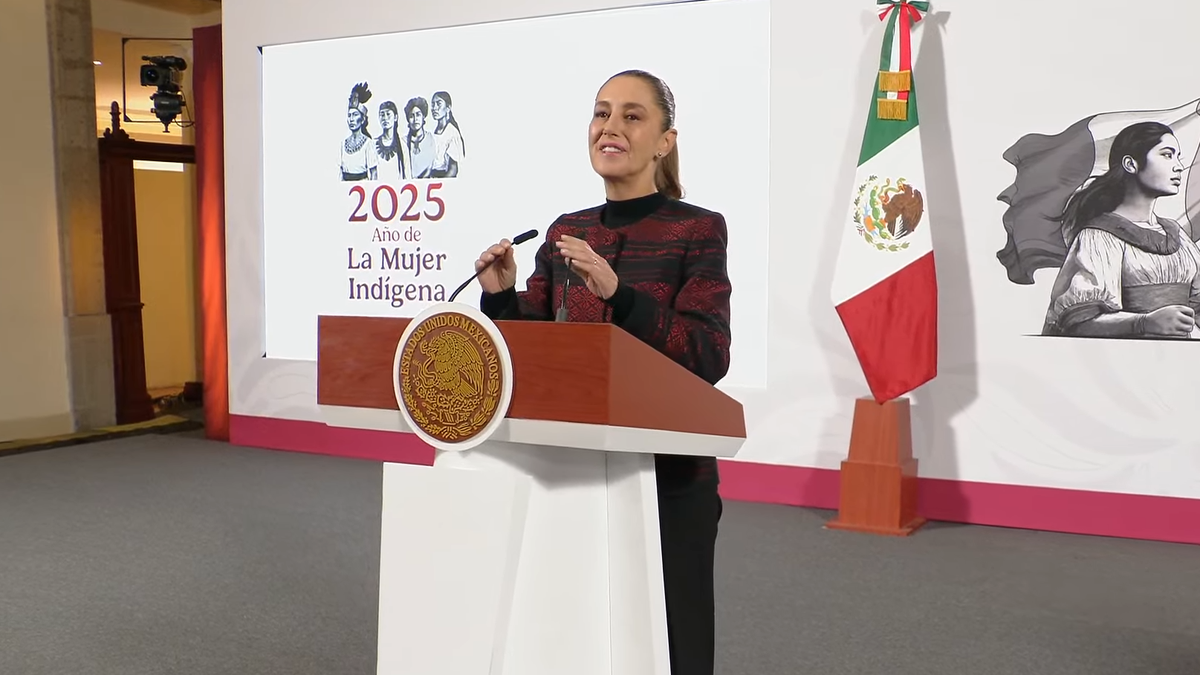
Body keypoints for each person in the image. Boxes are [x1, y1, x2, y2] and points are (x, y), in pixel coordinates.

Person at [473, 69, 731, 675]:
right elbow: (534, 355)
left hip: (668, 477)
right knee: (577, 635)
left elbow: (707, 353)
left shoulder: (696, 229)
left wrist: (620, 294)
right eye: (601, 113)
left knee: (674, 640)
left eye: (632, 116)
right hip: (572, 469)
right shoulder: (567, 230)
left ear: (665, 141)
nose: (610, 127)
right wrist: (503, 299)